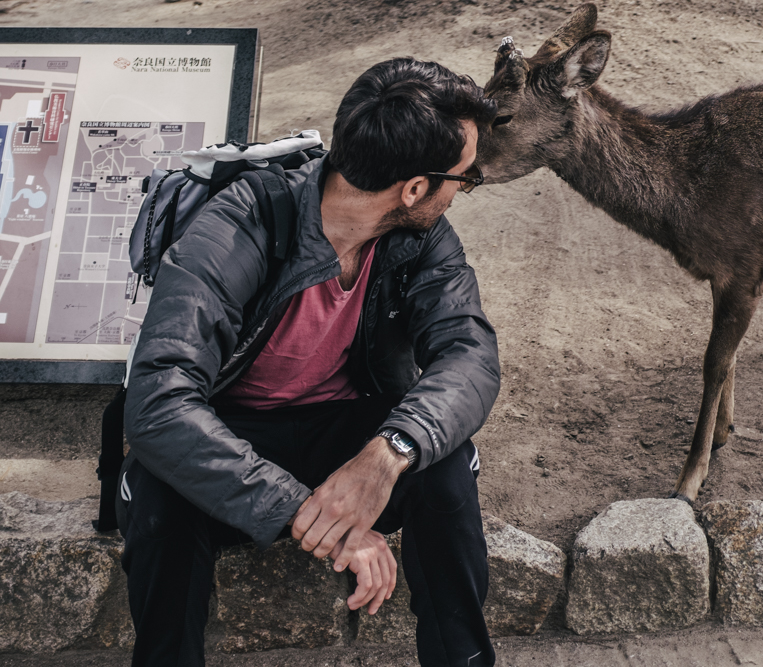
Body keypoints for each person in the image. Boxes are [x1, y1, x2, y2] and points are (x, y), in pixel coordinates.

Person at [119, 58, 500, 667]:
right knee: (161, 501)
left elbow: (469, 353)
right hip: (229, 434)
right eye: (465, 176)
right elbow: (160, 404)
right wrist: (309, 514)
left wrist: (386, 455)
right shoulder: (241, 222)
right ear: (414, 188)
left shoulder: (421, 237)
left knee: (442, 466)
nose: (464, 189)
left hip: (346, 428)